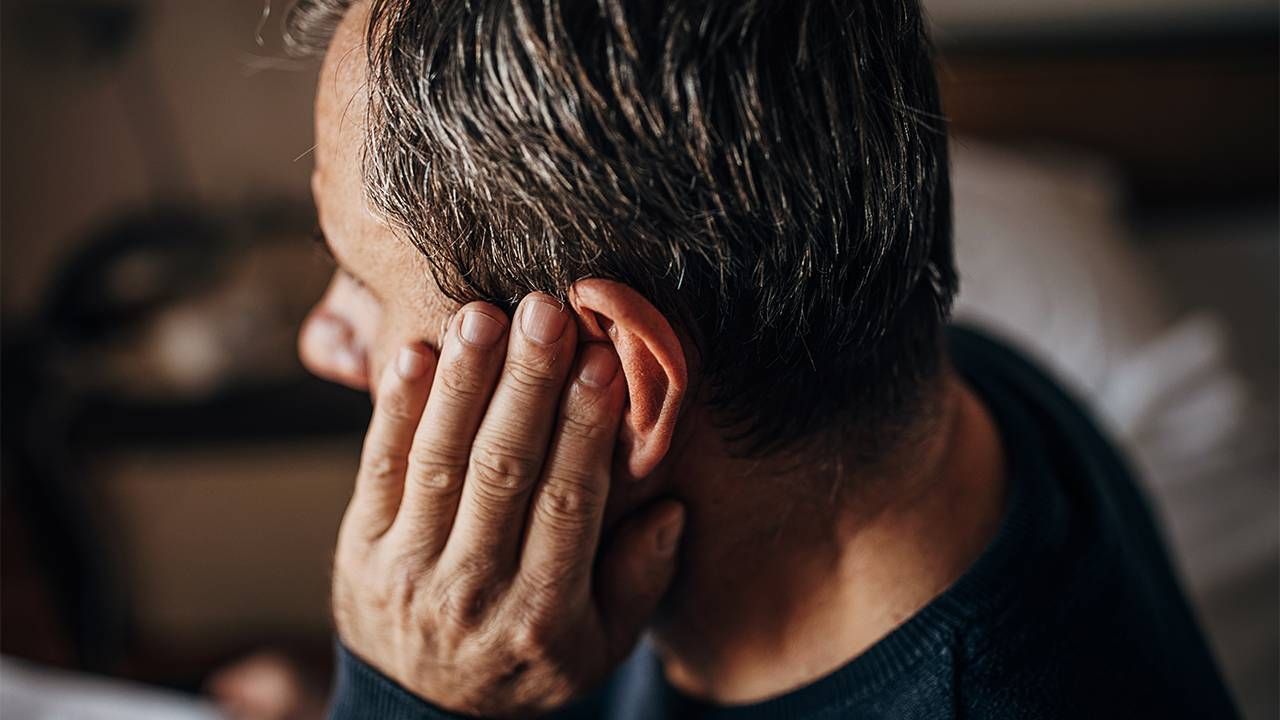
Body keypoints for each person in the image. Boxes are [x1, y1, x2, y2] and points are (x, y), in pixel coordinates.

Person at [288, 0, 1238, 717]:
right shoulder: (957, 383)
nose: (322, 339)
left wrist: (404, 698)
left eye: (361, 284)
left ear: (612, 373)